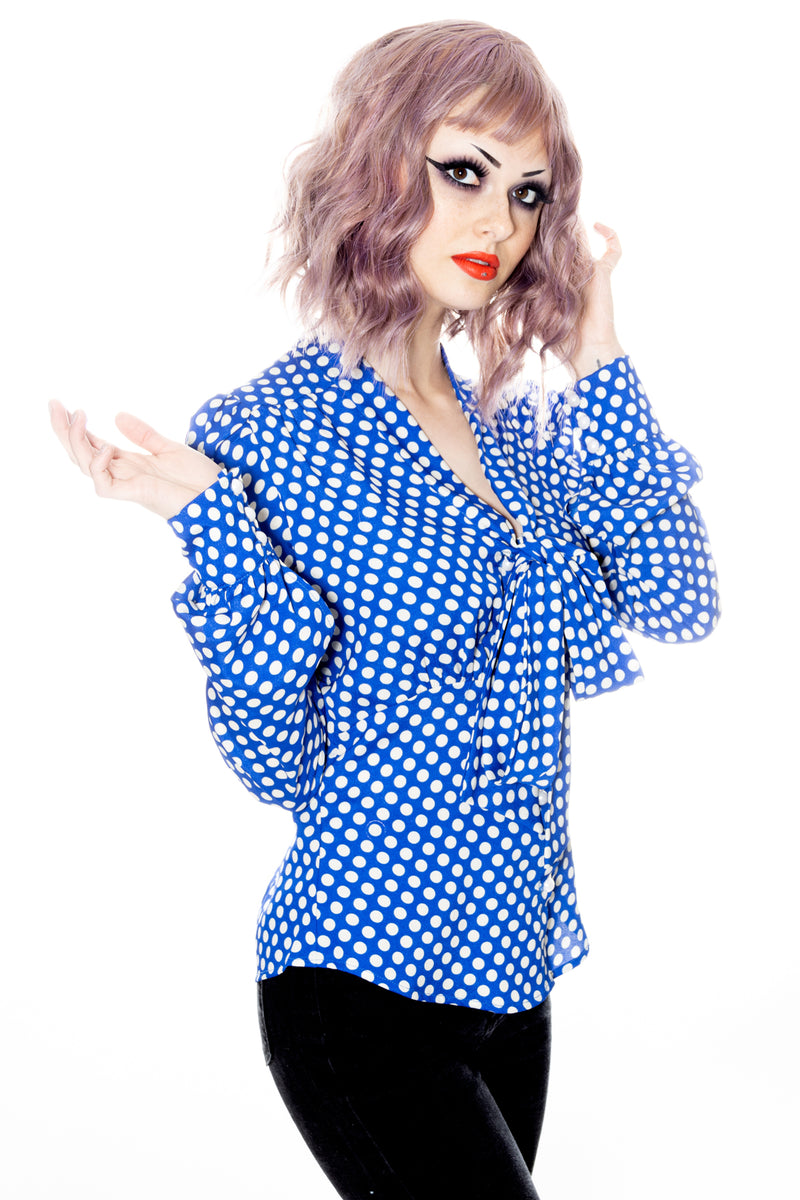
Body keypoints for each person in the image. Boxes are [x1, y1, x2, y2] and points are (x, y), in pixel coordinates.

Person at [49, 19, 718, 1200]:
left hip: (512, 983)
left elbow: (676, 598)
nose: (496, 222)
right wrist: (207, 520)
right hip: (358, 986)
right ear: (377, 165)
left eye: (526, 193)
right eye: (462, 170)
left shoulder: (516, 435)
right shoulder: (268, 432)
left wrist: (595, 355)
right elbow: (271, 762)